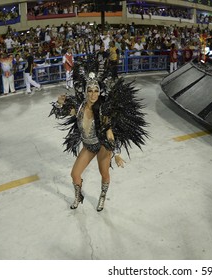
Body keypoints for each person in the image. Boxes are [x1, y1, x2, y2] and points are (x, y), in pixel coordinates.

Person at [50, 57, 148, 212]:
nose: (93, 94)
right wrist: (59, 103)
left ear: (99, 91)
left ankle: (102, 197)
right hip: (89, 146)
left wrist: (115, 153)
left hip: (102, 145)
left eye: (96, 91)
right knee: (75, 174)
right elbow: (62, 112)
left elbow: (109, 131)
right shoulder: (80, 106)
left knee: (104, 173)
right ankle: (78, 196)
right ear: (85, 91)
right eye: (90, 90)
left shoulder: (102, 109)